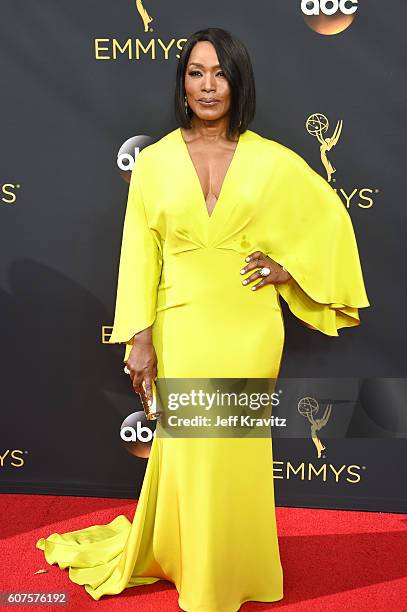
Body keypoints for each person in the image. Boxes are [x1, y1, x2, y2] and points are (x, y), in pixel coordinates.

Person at [35, 27, 370, 611]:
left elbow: (329, 221)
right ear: (182, 83)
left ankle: (235, 570)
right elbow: (138, 252)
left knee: (235, 450)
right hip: (181, 323)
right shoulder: (157, 161)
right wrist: (139, 335)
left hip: (249, 325)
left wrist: (288, 270)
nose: (208, 85)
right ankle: (196, 567)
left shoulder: (270, 160)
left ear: (238, 83)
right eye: (196, 73)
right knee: (193, 450)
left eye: (220, 73)